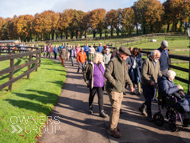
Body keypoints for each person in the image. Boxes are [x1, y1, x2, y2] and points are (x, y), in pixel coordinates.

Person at [105, 46, 134, 138]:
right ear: (121, 54)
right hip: (113, 90)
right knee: (116, 109)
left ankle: (113, 125)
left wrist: (131, 84)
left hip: (120, 89)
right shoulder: (113, 61)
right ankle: (113, 130)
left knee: (117, 109)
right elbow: (107, 73)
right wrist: (115, 83)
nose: (127, 57)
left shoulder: (124, 62)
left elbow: (126, 75)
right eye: (126, 55)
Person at [139, 50, 162, 122]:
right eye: (157, 57)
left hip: (154, 83)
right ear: (153, 55)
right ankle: (149, 115)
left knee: (151, 98)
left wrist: (162, 78)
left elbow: (158, 71)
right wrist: (149, 81)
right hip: (146, 83)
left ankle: (142, 107)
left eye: (159, 57)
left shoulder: (157, 61)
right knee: (149, 99)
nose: (158, 58)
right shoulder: (146, 61)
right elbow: (144, 73)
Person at [83, 52, 108, 118]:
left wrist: (105, 79)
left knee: (101, 98)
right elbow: (85, 73)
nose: (102, 59)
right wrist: (87, 81)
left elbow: (104, 72)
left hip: (101, 84)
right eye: (101, 57)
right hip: (93, 84)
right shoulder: (90, 64)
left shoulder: (102, 64)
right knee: (92, 96)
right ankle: (90, 107)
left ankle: (101, 111)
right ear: (98, 58)